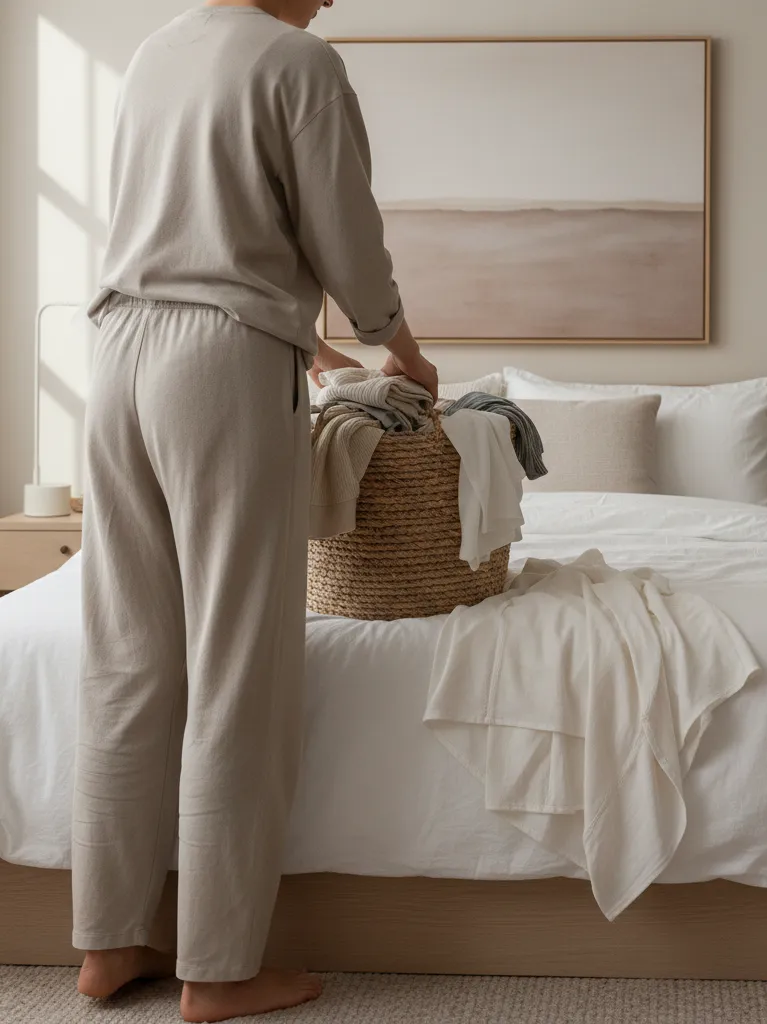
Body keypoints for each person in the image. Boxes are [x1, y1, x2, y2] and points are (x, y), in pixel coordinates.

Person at [72, 1, 437, 1019]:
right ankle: (219, 968)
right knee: (240, 656)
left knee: (128, 650)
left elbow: (185, 230)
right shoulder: (297, 60)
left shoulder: (157, 52)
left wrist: (304, 346)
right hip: (217, 368)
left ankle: (107, 944)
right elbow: (343, 228)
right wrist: (394, 344)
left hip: (116, 354)